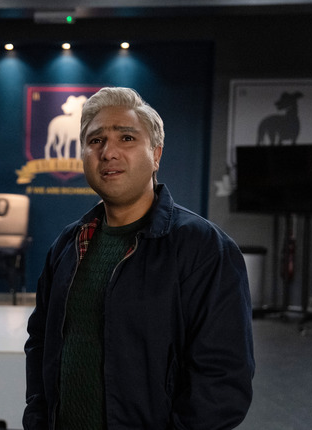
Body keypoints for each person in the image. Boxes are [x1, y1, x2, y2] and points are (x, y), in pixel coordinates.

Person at [23, 87, 254, 429]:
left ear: (156, 154)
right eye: (95, 140)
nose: (108, 152)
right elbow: (41, 342)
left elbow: (222, 382)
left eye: (127, 138)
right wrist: (38, 418)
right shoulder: (68, 244)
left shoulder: (204, 248)